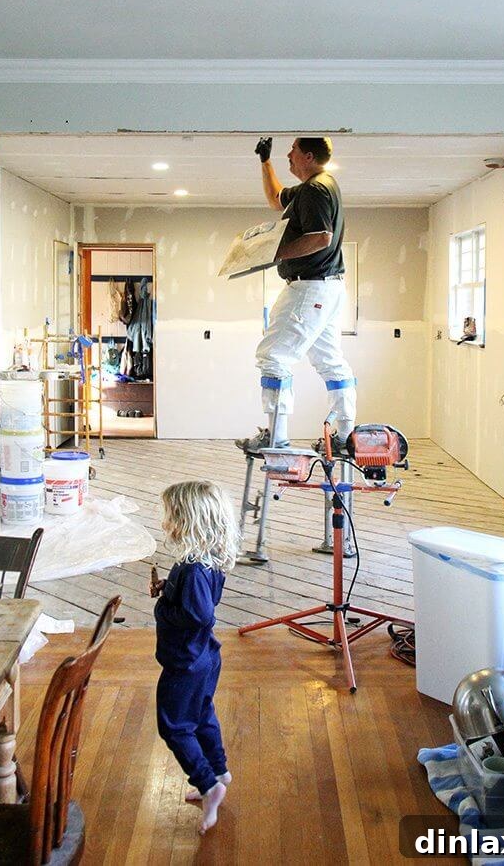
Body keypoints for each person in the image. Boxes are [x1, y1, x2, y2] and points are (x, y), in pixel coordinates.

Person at [236, 136, 357, 454]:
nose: (288, 155)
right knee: (329, 360)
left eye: (292, 151)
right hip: (326, 287)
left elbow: (321, 237)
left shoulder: (317, 189)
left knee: (273, 357)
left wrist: (275, 253)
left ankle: (276, 437)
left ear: (307, 156)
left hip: (310, 285)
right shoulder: (312, 189)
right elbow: (277, 198)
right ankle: (345, 434)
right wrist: (265, 162)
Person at [150, 480, 238, 835]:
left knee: (173, 726)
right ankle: (219, 769)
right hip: (204, 657)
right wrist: (167, 591)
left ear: (188, 521)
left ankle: (208, 785)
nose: (164, 522)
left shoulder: (192, 570)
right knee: (202, 715)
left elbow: (199, 615)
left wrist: (162, 609)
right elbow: (193, 601)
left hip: (184, 663)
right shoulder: (204, 562)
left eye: (169, 515)